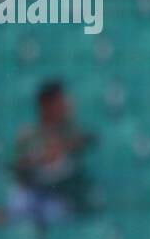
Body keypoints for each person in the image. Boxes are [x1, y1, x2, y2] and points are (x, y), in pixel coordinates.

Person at [8, 80, 92, 227]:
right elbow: (17, 168)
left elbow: (81, 143)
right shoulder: (28, 133)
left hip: (60, 196)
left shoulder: (71, 132)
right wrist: (40, 158)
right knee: (19, 201)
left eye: (63, 102)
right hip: (34, 193)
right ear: (45, 105)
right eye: (58, 102)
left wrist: (60, 147)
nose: (63, 106)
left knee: (55, 212)